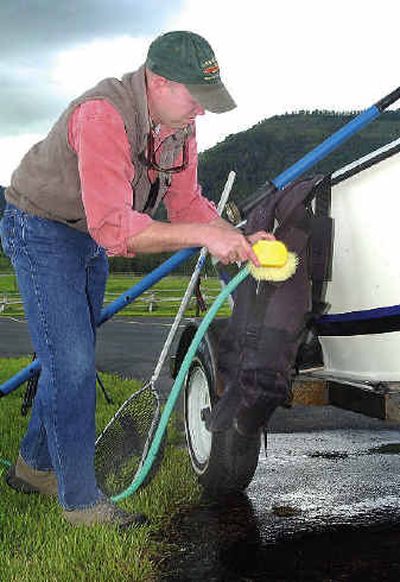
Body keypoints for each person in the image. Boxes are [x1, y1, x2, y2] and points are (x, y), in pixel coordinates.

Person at [0, 30, 272, 527]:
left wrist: (233, 237)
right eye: (196, 98)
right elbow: (114, 229)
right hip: (41, 227)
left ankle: (33, 466)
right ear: (159, 81)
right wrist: (201, 237)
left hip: (89, 234)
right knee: (74, 363)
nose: (202, 112)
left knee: (68, 353)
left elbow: (187, 202)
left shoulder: (180, 125)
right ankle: (80, 502)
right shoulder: (103, 115)